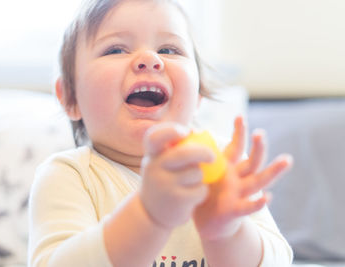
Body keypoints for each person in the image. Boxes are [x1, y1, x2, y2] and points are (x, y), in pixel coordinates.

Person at [28, 0, 294, 266]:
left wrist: (228, 231)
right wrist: (148, 215)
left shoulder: (221, 167)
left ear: (198, 94)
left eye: (168, 49)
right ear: (71, 98)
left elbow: (277, 261)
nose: (149, 59)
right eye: (116, 49)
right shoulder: (69, 176)